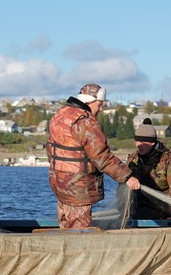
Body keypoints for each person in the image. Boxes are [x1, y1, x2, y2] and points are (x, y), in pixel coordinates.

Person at [47, 83, 141, 229]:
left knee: (65, 226)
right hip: (77, 188)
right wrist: (127, 177)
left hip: (59, 183)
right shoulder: (86, 122)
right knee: (80, 231)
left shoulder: (60, 114)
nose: (101, 109)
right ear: (89, 100)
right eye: (99, 104)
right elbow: (102, 157)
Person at [126, 119, 171, 226]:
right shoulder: (133, 159)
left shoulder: (168, 159)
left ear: (152, 142)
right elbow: (123, 187)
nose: (139, 145)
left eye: (143, 142)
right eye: (137, 141)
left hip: (163, 210)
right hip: (139, 208)